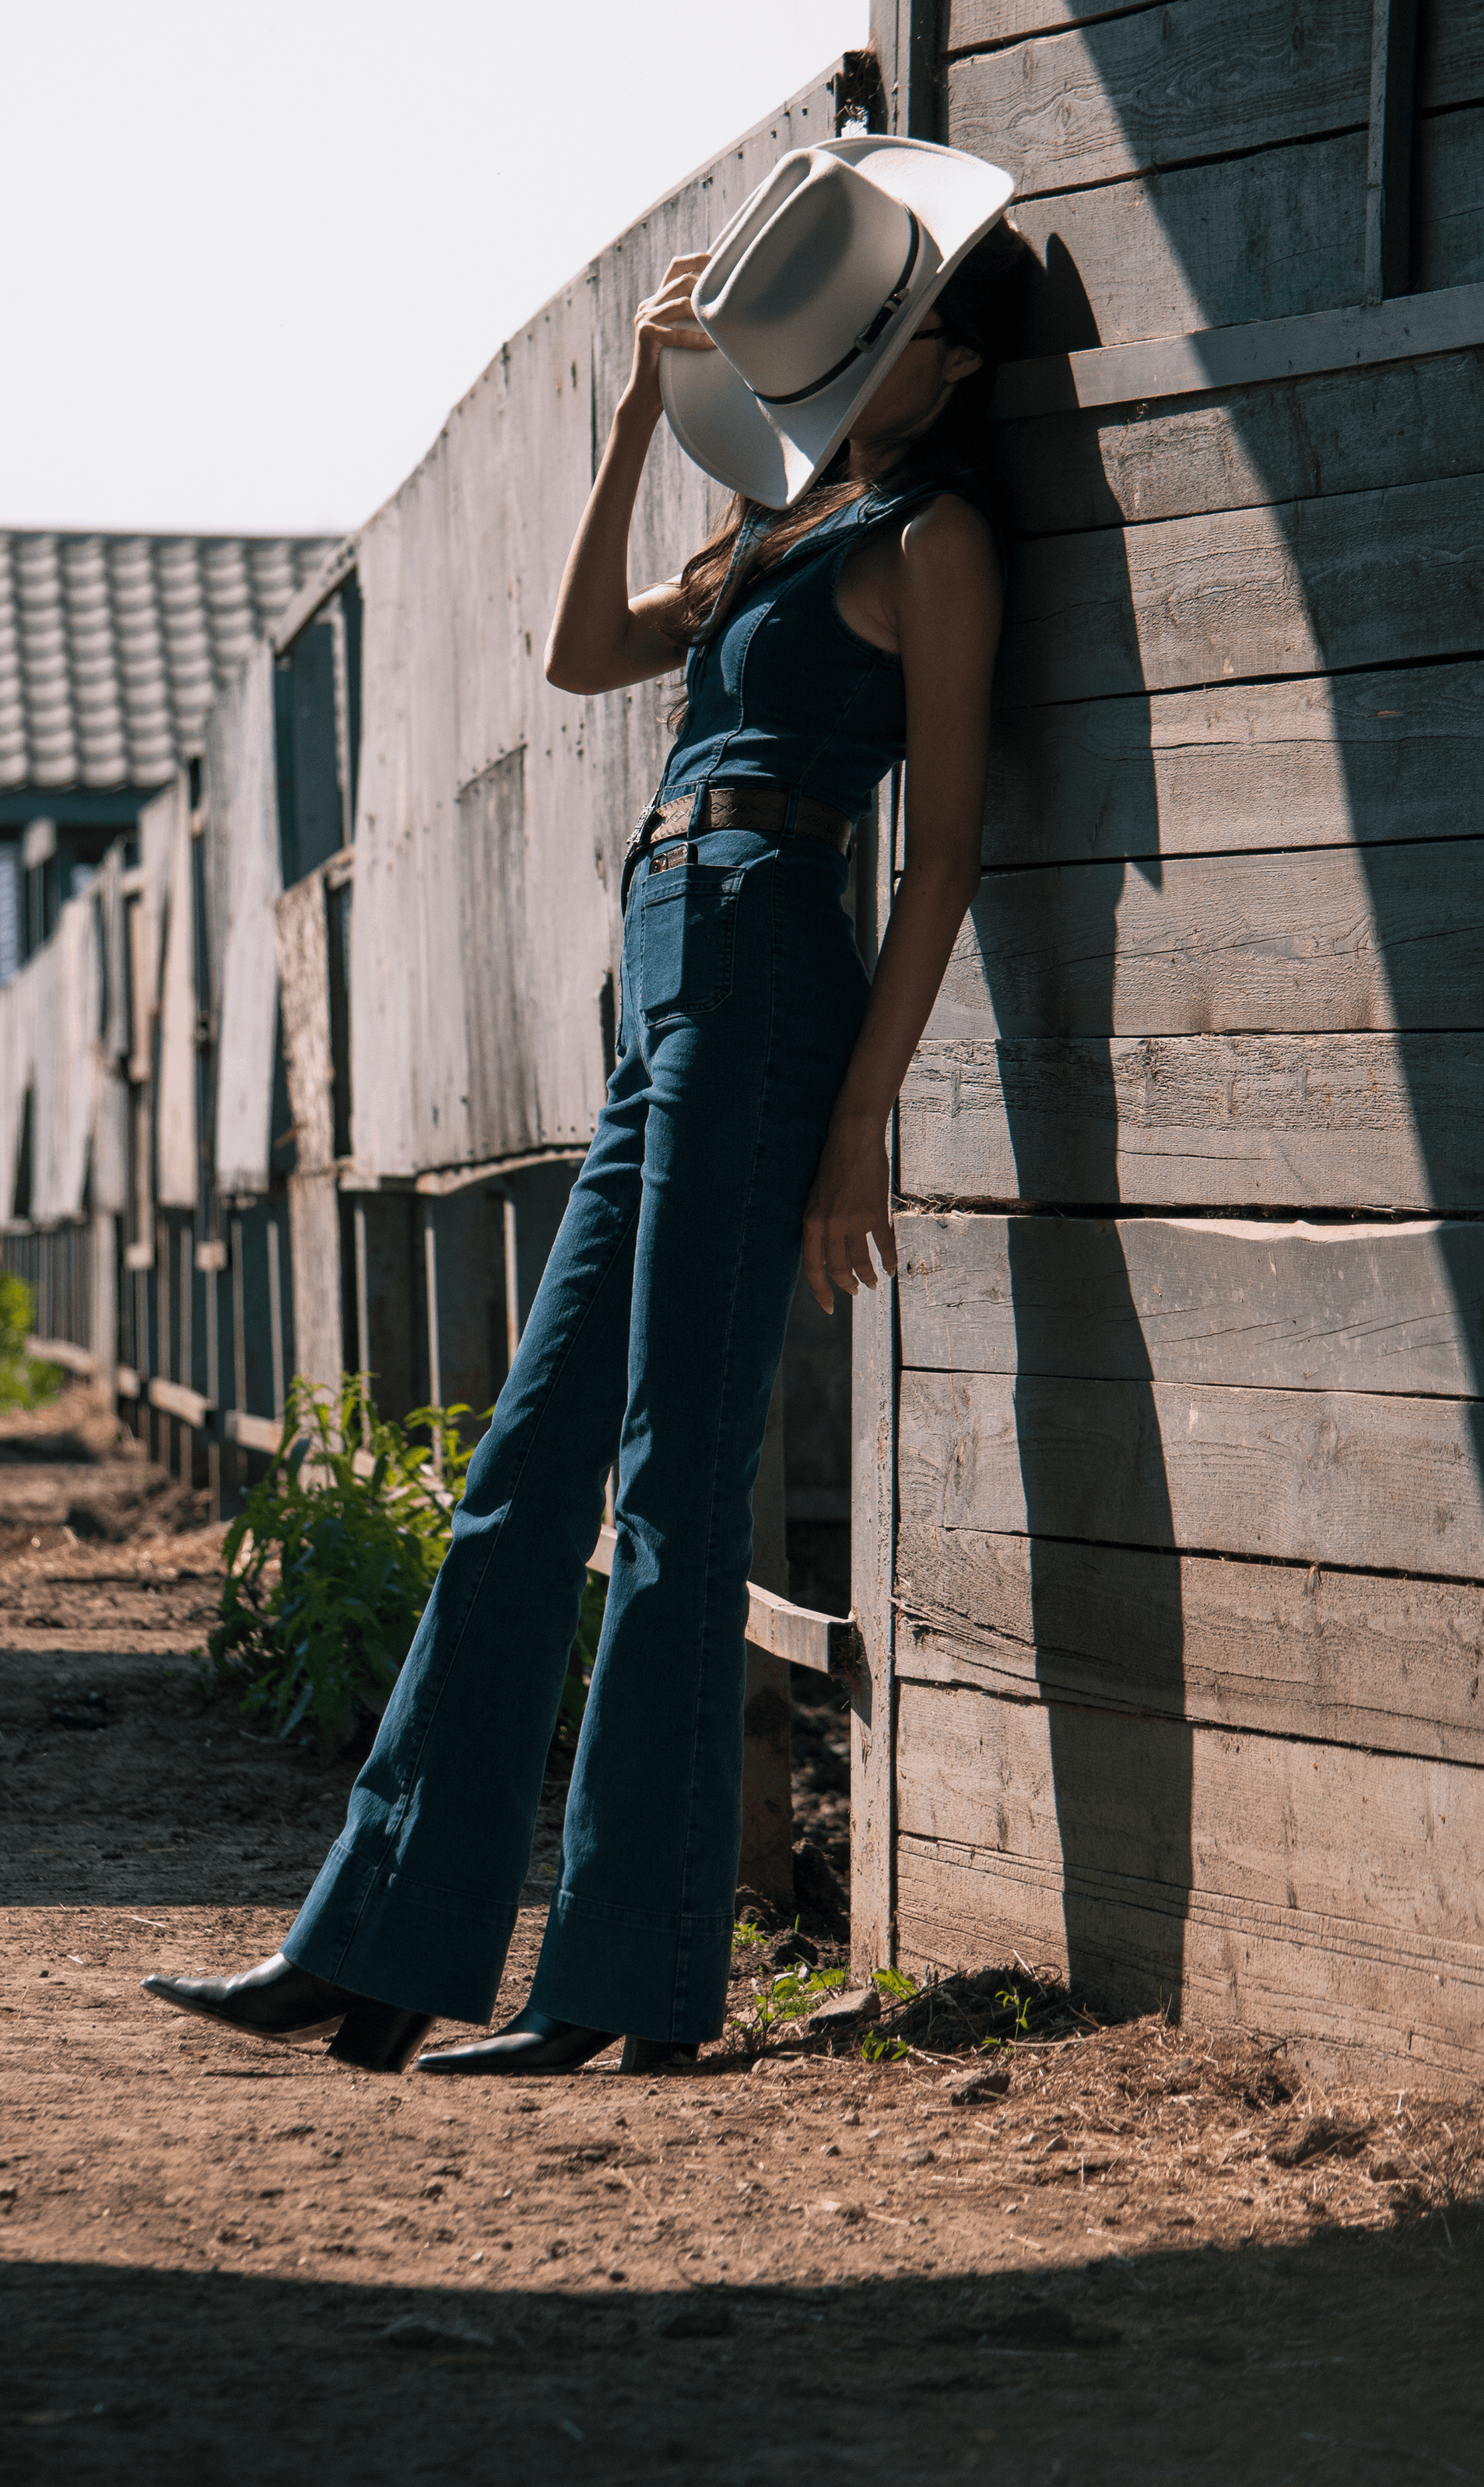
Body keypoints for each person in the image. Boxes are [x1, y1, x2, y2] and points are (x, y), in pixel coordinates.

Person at [144, 135, 1026, 2076]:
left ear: (950, 366)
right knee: (523, 1475)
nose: (837, 369)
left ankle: (621, 1983)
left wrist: (860, 1120)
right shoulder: (781, 532)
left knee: (669, 1482)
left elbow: (943, 853)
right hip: (659, 970)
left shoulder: (930, 545)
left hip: (772, 967)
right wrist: (639, 408)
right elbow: (568, 652)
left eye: (880, 341)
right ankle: (372, 1938)